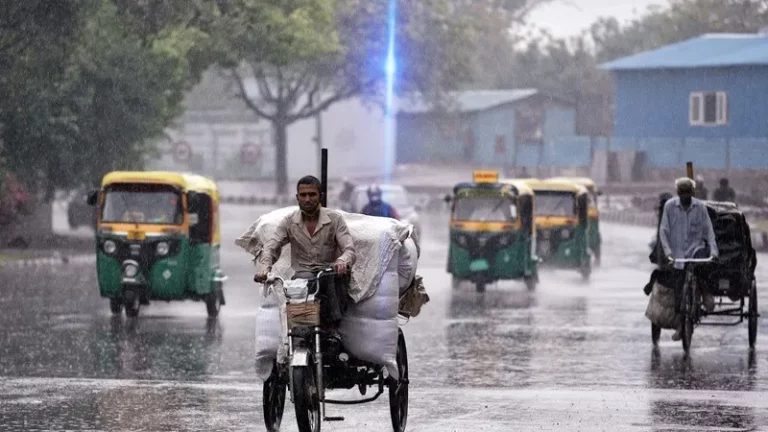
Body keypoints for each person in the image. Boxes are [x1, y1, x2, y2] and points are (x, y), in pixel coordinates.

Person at [254, 175, 356, 333]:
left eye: (312, 194)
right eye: (303, 195)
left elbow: (349, 249)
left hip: (330, 276)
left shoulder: (335, 219)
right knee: (298, 323)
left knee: (330, 280)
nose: (307, 199)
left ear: (320, 196)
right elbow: (272, 246)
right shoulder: (289, 222)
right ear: (297, 197)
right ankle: (299, 335)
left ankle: (333, 330)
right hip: (302, 280)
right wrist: (264, 267)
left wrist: (342, 261)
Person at [659, 177, 719, 341]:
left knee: (702, 266)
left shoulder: (700, 207)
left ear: (692, 193)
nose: (685, 196)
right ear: (678, 193)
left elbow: (709, 232)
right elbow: (663, 231)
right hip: (677, 255)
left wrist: (714, 252)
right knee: (678, 291)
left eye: (688, 193)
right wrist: (668, 252)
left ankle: (705, 291)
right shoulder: (670, 207)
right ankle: (680, 325)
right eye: (682, 193)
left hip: (696, 250)